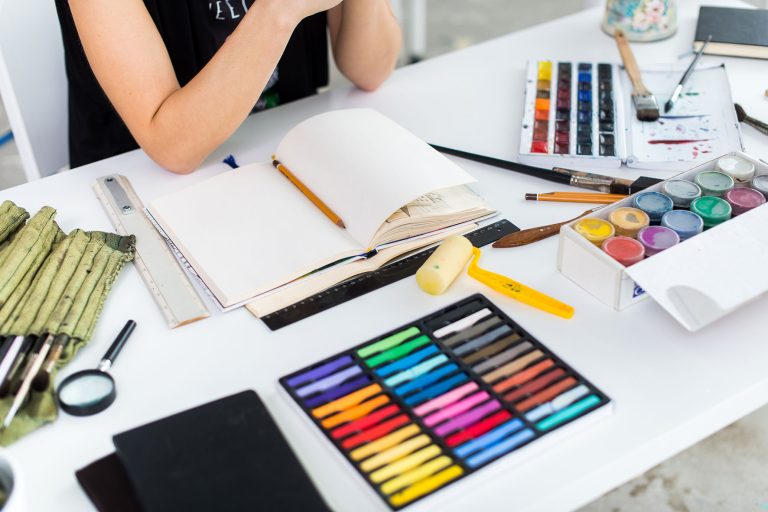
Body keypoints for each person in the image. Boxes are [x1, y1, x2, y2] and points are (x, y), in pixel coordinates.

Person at [55, 0, 401, 173]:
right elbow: (173, 148)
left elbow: (371, 69)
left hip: (288, 158)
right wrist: (279, 10)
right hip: (145, 192)